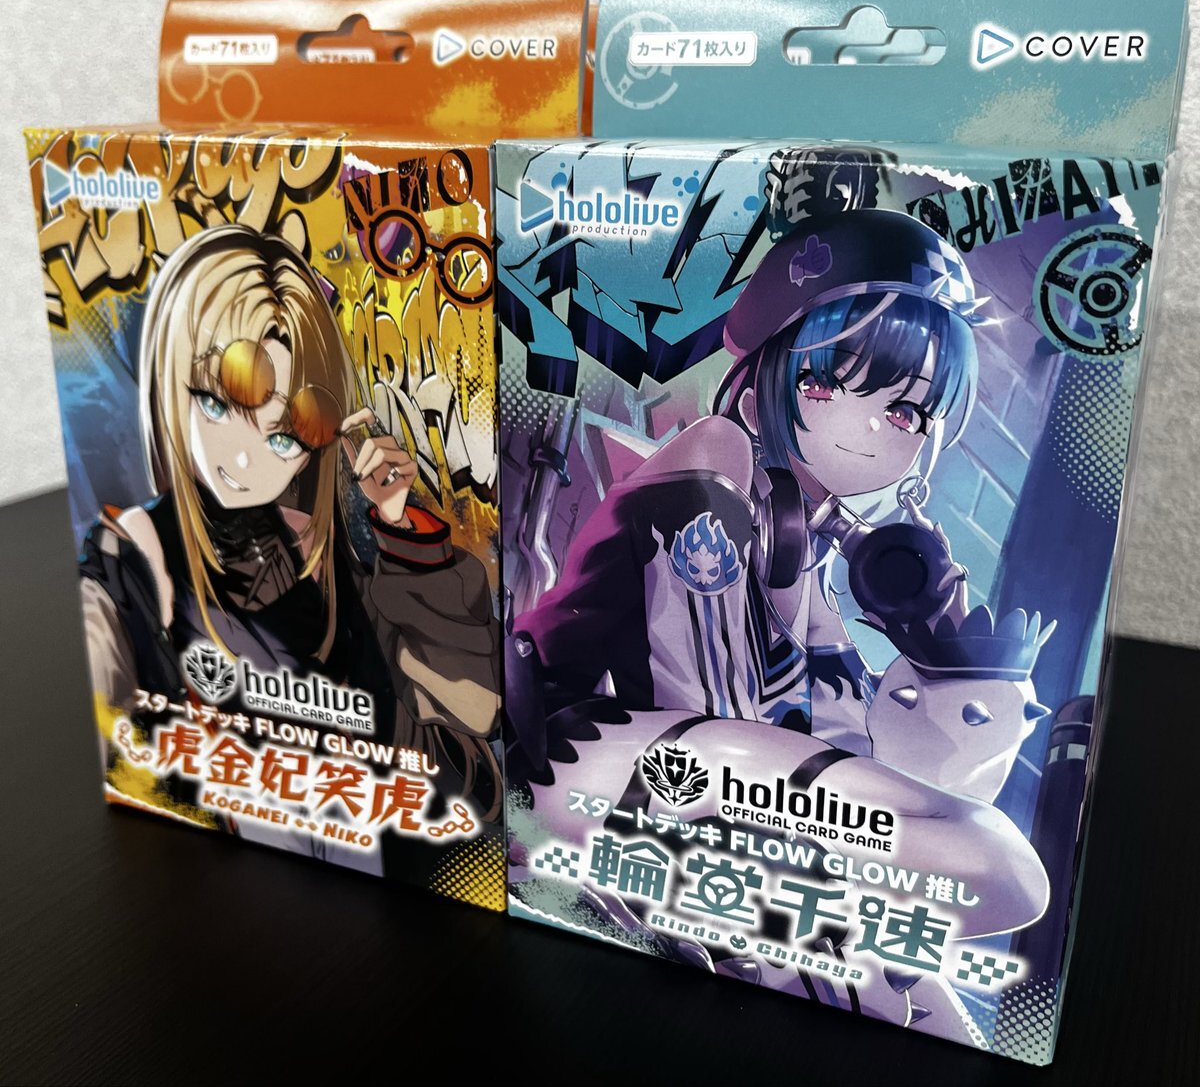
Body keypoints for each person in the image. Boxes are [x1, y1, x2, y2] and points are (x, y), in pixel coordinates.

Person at [510, 209, 1049, 771]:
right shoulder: (716, 453)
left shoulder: (798, 541)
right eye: (825, 382)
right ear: (754, 399)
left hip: (687, 778)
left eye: (905, 412)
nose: (871, 425)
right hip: (560, 748)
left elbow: (851, 734)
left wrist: (943, 655)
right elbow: (707, 715)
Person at [79, 224, 500, 863]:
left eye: (281, 438)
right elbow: (114, 741)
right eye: (215, 404)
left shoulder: (321, 561)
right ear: (171, 381)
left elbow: (467, 739)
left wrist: (403, 537)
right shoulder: (131, 568)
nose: (244, 460)